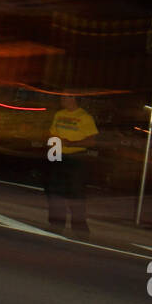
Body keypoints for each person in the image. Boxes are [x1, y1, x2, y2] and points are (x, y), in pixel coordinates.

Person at [45, 94, 98, 235]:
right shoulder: (59, 114)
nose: (62, 99)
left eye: (65, 97)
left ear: (73, 99)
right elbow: (52, 133)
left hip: (77, 157)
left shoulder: (85, 117)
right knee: (55, 191)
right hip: (58, 155)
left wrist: (71, 143)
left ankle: (79, 227)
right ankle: (56, 223)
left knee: (76, 193)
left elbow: (92, 141)